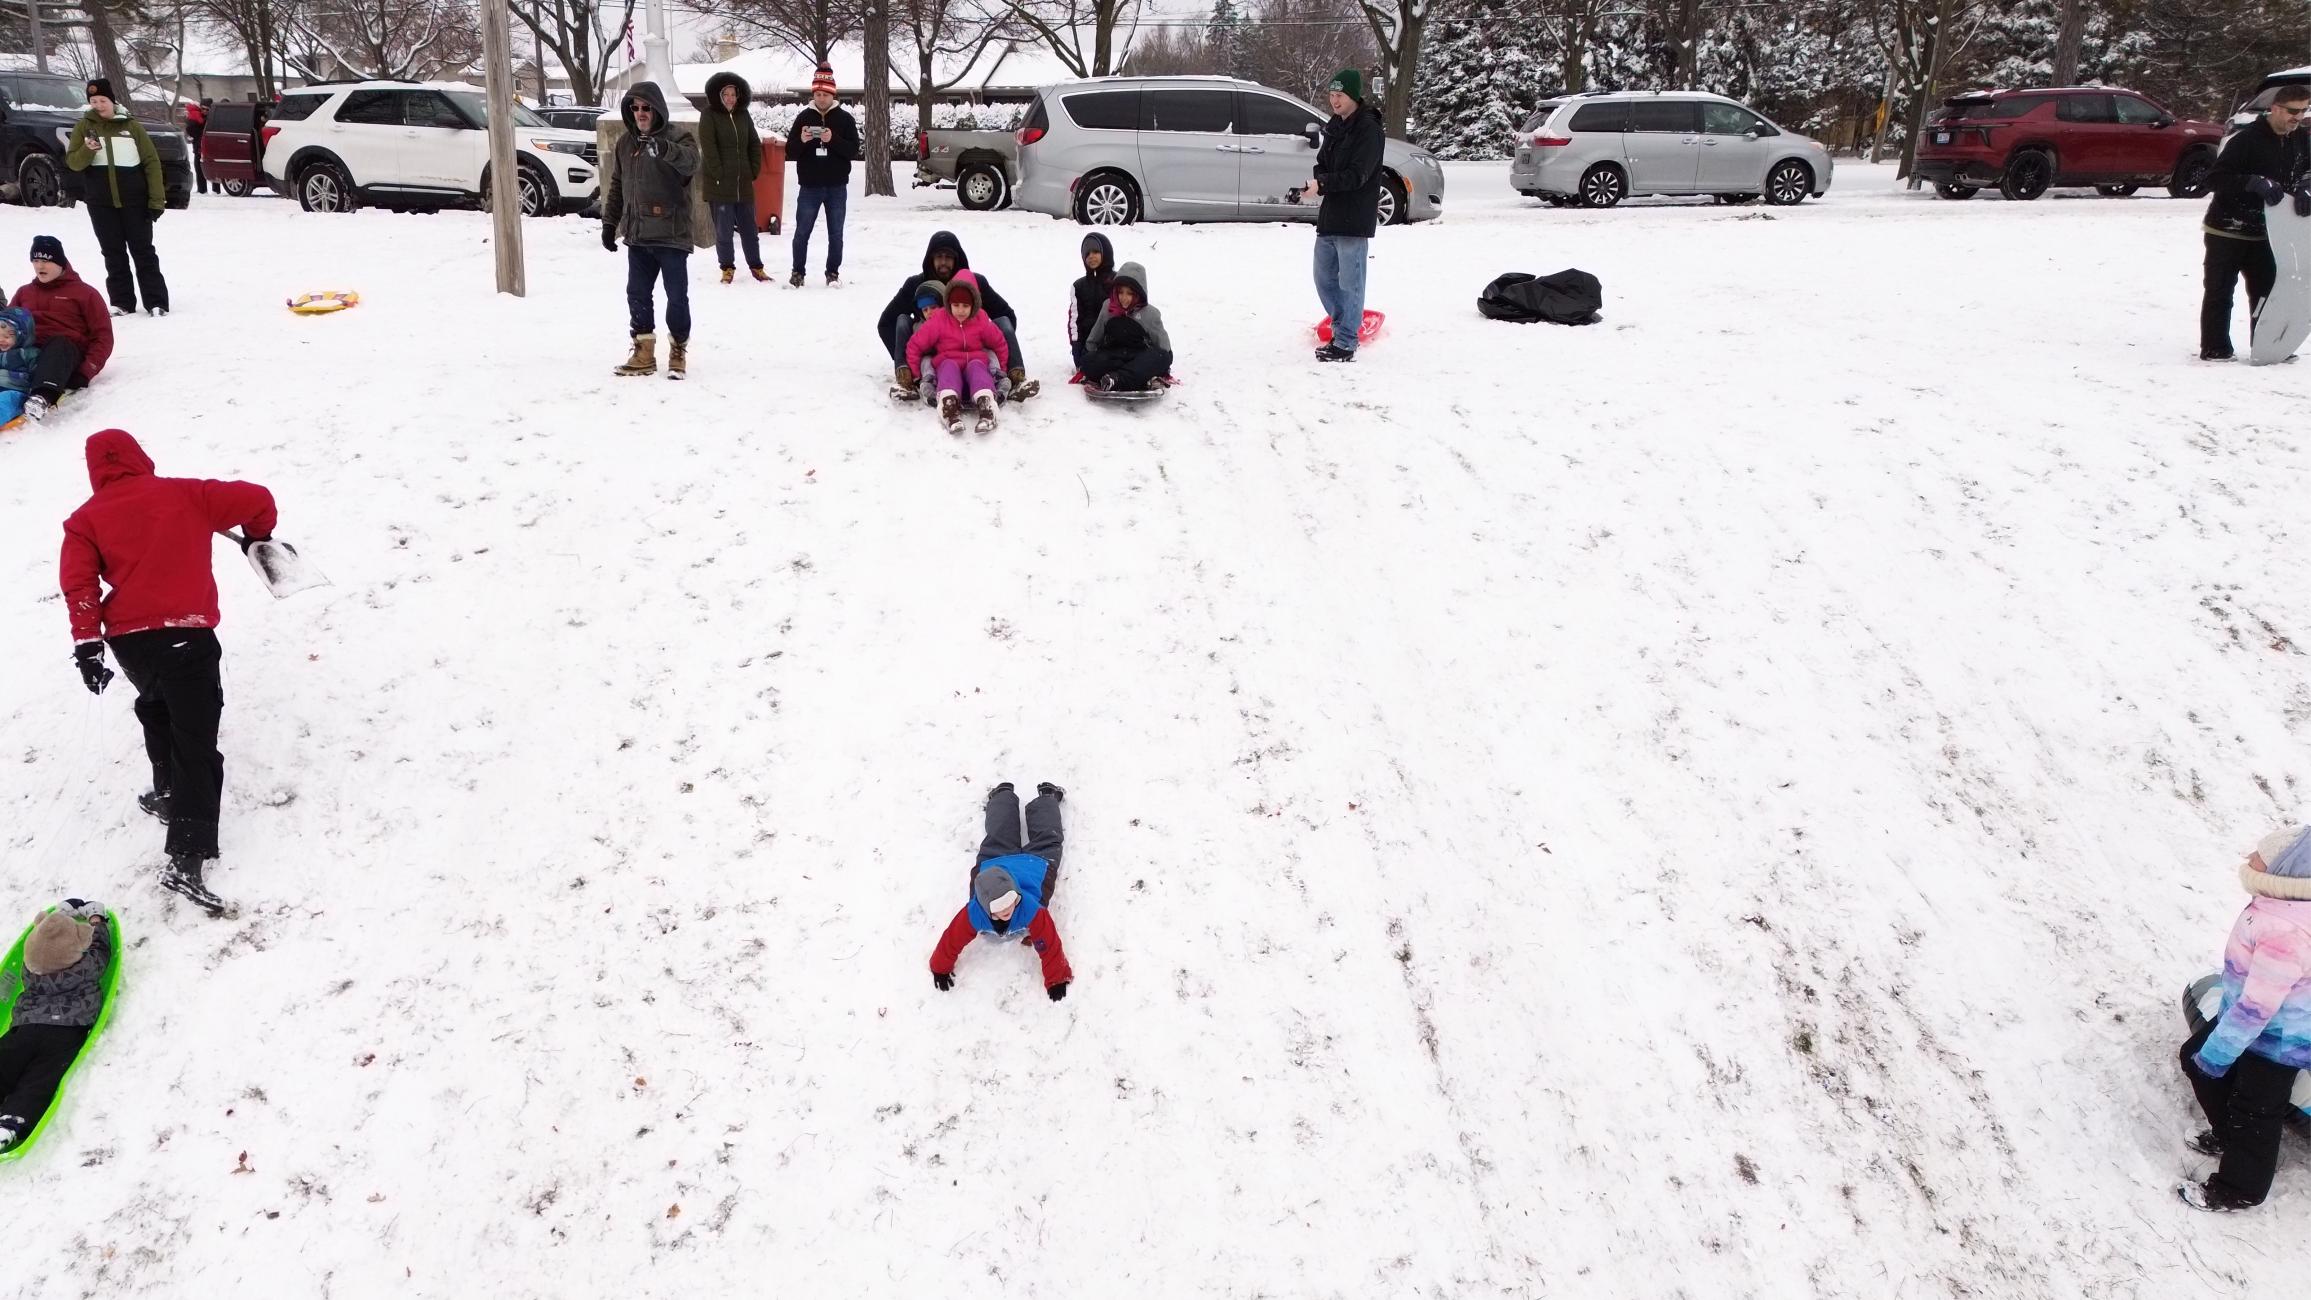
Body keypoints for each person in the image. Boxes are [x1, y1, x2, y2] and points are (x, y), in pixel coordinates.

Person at [60, 429, 277, 916]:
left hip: (130, 643)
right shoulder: (188, 494)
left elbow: (79, 586)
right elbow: (259, 499)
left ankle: (166, 790)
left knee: (155, 704)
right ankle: (187, 858)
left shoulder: (83, 521)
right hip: (186, 634)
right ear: (140, 456)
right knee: (195, 741)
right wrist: (259, 538)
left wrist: (88, 646)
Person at [2178, 826, 2311, 1212]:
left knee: (2255, 1107)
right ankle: (2228, 1135)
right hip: (2250, 1025)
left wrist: (2221, 1049)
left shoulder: (2287, 930)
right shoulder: (2278, 906)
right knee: (2196, 1060)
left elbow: (2260, 1005)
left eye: (2259, 855)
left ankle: (2238, 1188)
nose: (2250, 857)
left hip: (2277, 1042)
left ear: (2284, 871)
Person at [930, 783, 1071, 1000]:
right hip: (995, 864)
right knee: (1003, 835)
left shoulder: (1029, 908)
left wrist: (1056, 978)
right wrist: (940, 967)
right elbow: (953, 938)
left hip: (1033, 865)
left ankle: (1044, 799)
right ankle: (1004, 796)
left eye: (1011, 901)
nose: (1008, 909)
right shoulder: (975, 912)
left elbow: (1048, 941)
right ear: (986, 908)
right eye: (998, 907)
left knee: (1042, 840)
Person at [2201, 84, 2311, 361]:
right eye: (2293, 111)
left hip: (2269, 233)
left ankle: (2267, 346)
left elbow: (2308, 170)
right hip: (2227, 228)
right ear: (2275, 108)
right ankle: (2215, 348)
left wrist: (2306, 187)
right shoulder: (2245, 140)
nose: (2298, 117)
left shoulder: (2301, 139)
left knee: (2267, 294)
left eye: (2304, 110)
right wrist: (2252, 182)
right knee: (2220, 291)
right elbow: (2214, 179)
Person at [0, 900, 114, 1151]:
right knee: (41, 1076)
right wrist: (96, 919)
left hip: (26, 1027)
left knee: (5, 1062)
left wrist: (61, 912)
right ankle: (11, 1121)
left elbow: (42, 939)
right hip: (66, 1030)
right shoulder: (86, 967)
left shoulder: (30, 969)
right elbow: (102, 948)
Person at [603, 82, 699, 380]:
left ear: (657, 108)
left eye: (646, 107)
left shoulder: (677, 137)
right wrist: (610, 223)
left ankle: (678, 349)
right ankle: (643, 352)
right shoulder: (625, 144)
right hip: (638, 236)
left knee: (677, 297)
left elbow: (692, 163)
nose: (641, 113)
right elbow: (617, 185)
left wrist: (666, 150)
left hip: (671, 235)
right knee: (638, 294)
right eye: (635, 108)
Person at [875, 231, 1039, 400]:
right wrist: (903, 357)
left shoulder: (974, 283)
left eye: (949, 257)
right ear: (930, 259)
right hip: (928, 346)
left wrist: (983, 342)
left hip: (970, 350)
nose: (944, 262)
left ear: (957, 259)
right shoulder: (915, 284)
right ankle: (906, 380)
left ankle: (1016, 376)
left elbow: (1006, 315)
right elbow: (885, 323)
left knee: (1003, 322)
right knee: (901, 320)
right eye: (939, 257)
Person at [66, 79, 169, 319]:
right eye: (93, 101)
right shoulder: (84, 127)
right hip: (101, 203)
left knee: (143, 251)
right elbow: (73, 162)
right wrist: (87, 150)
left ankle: (156, 302)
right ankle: (122, 302)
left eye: (103, 100)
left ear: (112, 101)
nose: (98, 105)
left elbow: (151, 162)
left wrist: (156, 200)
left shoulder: (132, 127)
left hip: (135, 202)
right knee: (112, 252)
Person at [1307, 67, 1384, 364]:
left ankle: (1346, 341)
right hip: (1331, 215)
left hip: (1354, 217)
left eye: (1339, 96)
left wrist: (1324, 183)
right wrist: (1317, 181)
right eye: (1332, 95)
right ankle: (1343, 326)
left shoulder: (1369, 128)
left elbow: (1358, 175)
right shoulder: (1335, 125)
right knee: (1323, 277)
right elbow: (1322, 162)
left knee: (1350, 282)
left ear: (1353, 96)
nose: (1334, 101)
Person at [10, 235, 114, 423]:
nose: (40, 266)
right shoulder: (24, 292)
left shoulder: (85, 293)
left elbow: (103, 336)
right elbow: (8, 324)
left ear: (61, 263)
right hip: (30, 352)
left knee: (60, 343)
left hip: (64, 355)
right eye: (36, 261)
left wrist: (86, 370)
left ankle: (42, 397)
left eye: (46, 261)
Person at [907, 271, 1011, 434]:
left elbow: (999, 343)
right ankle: (950, 411)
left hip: (975, 368)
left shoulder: (981, 319)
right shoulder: (939, 320)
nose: (960, 311)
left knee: (977, 365)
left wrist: (1001, 369)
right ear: (949, 303)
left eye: (965, 306)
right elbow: (915, 345)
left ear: (974, 305)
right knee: (948, 365)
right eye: (956, 305)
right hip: (948, 367)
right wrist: (916, 375)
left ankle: (987, 408)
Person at [785, 65, 858, 288]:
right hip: (809, 186)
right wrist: (803, 140)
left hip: (837, 186)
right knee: (802, 232)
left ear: (832, 94)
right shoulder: (803, 117)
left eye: (825, 94)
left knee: (836, 234)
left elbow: (853, 150)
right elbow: (790, 151)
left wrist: (832, 139)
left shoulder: (845, 119)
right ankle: (798, 272)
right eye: (817, 94)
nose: (821, 98)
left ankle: (832, 273)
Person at [699, 71, 766, 286]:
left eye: (733, 94)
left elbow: (754, 143)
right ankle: (727, 267)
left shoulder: (743, 115)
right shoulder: (709, 115)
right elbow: (708, 148)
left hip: (743, 183)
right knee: (724, 232)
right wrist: (719, 173)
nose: (730, 98)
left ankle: (756, 267)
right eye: (726, 94)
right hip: (720, 184)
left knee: (749, 230)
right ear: (718, 95)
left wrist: (753, 169)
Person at [1081, 261, 1173, 393]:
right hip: (1114, 356)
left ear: (1139, 294)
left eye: (1130, 294)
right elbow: (1093, 340)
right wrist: (1093, 359)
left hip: (1139, 357)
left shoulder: (1150, 314)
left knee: (1159, 358)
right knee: (1089, 361)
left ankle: (1117, 379)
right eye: (1120, 292)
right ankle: (1138, 379)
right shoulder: (1108, 307)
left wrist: (1158, 361)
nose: (1124, 298)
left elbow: (1164, 348)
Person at [1068, 232, 1117, 374]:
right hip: (1088, 343)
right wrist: (1076, 346)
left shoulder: (1117, 281)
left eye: (1096, 252)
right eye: (1087, 254)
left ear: (1105, 252)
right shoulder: (1079, 286)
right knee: (1090, 364)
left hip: (1113, 341)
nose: (1091, 256)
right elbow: (1074, 320)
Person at [0, 306, 40, 425]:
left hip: (16, 392)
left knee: (4, 401)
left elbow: (38, 375)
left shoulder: (30, 354)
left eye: (8, 336)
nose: (1, 340)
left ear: (22, 336)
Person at [185, 98, 209, 196]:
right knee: (199, 168)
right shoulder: (197, 118)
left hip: (205, 146)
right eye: (203, 109)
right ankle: (202, 189)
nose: (205, 111)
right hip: (199, 146)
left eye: (207, 109)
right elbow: (192, 131)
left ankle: (214, 189)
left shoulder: (206, 118)